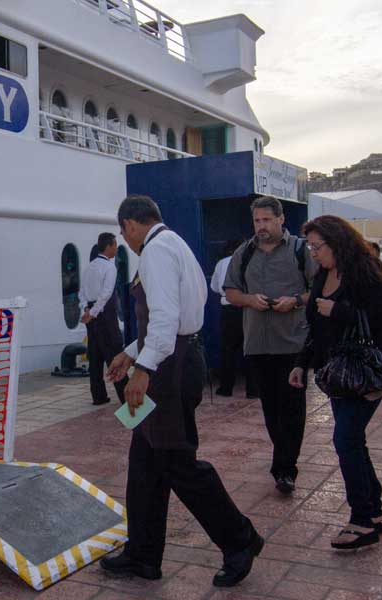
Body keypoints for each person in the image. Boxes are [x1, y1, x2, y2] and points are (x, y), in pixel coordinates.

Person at [102, 195, 262, 588]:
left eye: (125, 234)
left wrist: (142, 369)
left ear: (130, 225)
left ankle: (240, 539)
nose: (127, 241)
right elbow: (175, 321)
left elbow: (166, 319)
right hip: (176, 358)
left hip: (168, 371)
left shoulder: (155, 252)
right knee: (144, 463)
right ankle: (143, 554)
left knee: (177, 464)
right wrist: (129, 351)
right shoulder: (175, 244)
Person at [289, 215, 382, 550]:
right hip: (336, 375)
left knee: (345, 439)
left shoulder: (364, 271)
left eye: (318, 246)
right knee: (353, 441)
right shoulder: (324, 274)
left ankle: (361, 520)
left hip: (366, 371)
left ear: (337, 243)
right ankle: (374, 512)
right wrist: (301, 364)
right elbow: (315, 326)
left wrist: (337, 310)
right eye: (311, 247)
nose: (314, 253)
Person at [223, 196, 314, 495]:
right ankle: (283, 461)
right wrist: (250, 300)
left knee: (293, 409)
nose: (261, 226)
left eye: (266, 220)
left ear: (280, 219)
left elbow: (320, 289)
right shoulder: (244, 252)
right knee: (271, 409)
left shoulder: (301, 251)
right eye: (256, 221)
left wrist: (296, 300)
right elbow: (232, 292)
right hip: (258, 344)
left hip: (293, 343)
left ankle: (285, 468)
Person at [79, 232, 128, 405]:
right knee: (114, 354)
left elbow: (82, 293)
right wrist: (93, 313)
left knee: (95, 356)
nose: (116, 248)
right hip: (104, 315)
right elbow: (106, 294)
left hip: (90, 315)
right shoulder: (109, 267)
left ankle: (98, 396)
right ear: (108, 246)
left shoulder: (89, 267)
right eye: (115, 245)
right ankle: (125, 397)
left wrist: (86, 310)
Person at [209, 241, 254, 398]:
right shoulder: (250, 260)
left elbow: (214, 286)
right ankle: (253, 390)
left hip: (228, 309)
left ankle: (226, 388)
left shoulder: (221, 263)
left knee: (227, 350)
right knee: (249, 349)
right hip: (248, 307)